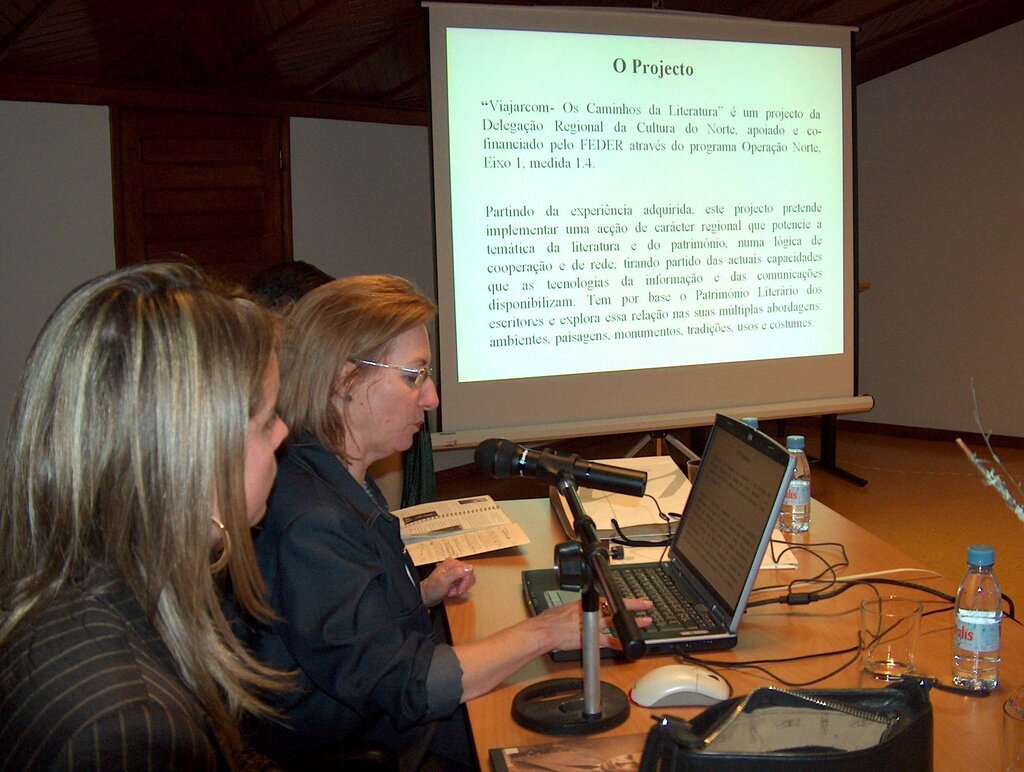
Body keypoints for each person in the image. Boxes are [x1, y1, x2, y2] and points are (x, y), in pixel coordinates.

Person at [248, 275, 652, 768]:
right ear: (344, 379)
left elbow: (333, 630)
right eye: (413, 375)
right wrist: (542, 632)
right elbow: (405, 685)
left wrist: (419, 594)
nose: (432, 398)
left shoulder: (332, 475)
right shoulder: (313, 517)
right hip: (384, 743)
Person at [0, 263, 290, 770]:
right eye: (266, 422)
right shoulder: (127, 725)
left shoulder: (122, 584)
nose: (285, 433)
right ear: (188, 457)